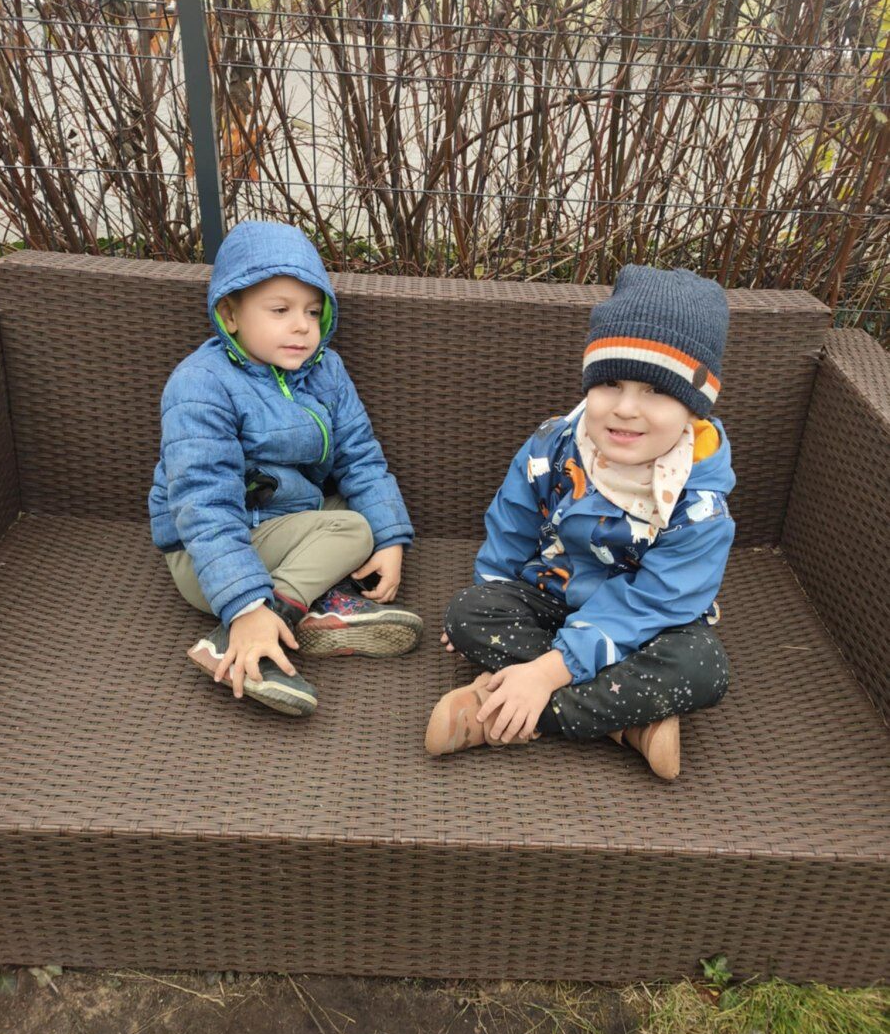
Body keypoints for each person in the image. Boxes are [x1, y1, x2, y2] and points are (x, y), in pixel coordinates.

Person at [425, 265, 735, 779]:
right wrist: (492, 588)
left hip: (645, 626)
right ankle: (626, 725)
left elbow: (655, 602)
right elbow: (512, 523)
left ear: (694, 409)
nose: (626, 409)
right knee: (468, 613)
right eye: (610, 383)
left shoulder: (700, 505)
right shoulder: (555, 444)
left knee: (703, 667)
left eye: (655, 390)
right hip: (551, 597)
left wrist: (551, 670)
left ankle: (495, 708)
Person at [149, 220, 422, 717]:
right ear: (230, 314)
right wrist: (245, 603)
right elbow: (204, 506)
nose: (302, 326)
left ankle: (314, 613)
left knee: (363, 518)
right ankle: (246, 630)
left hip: (286, 516)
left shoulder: (326, 371)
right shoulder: (200, 384)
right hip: (208, 552)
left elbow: (360, 455)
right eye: (280, 310)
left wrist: (390, 540)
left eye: (313, 312)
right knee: (350, 529)